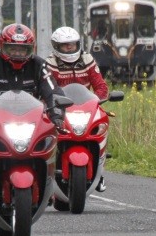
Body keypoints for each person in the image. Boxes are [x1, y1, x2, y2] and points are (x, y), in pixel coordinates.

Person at [0, 23, 66, 204]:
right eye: (13, 48)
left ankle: (48, 183)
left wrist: (57, 114)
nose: (18, 53)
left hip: (32, 120)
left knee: (54, 140)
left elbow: (53, 91)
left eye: (23, 49)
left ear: (31, 49)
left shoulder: (39, 65)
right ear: (2, 46)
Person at [46, 26, 110, 191]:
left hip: (84, 107)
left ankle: (99, 170)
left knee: (103, 123)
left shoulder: (88, 60)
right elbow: (47, 88)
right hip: (60, 109)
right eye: (65, 45)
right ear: (56, 46)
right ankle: (45, 173)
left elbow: (100, 86)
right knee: (44, 132)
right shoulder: (50, 63)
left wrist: (98, 100)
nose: (69, 47)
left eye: (72, 44)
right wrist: (49, 104)